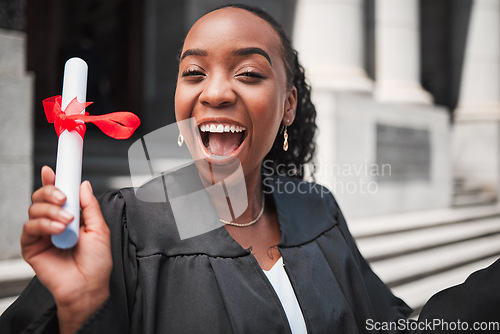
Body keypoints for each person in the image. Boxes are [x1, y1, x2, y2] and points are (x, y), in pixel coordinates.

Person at [1, 4, 499, 334]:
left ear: (286, 106)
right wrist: (80, 310)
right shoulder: (124, 228)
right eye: (193, 73)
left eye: (249, 73)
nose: (215, 92)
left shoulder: (315, 210)